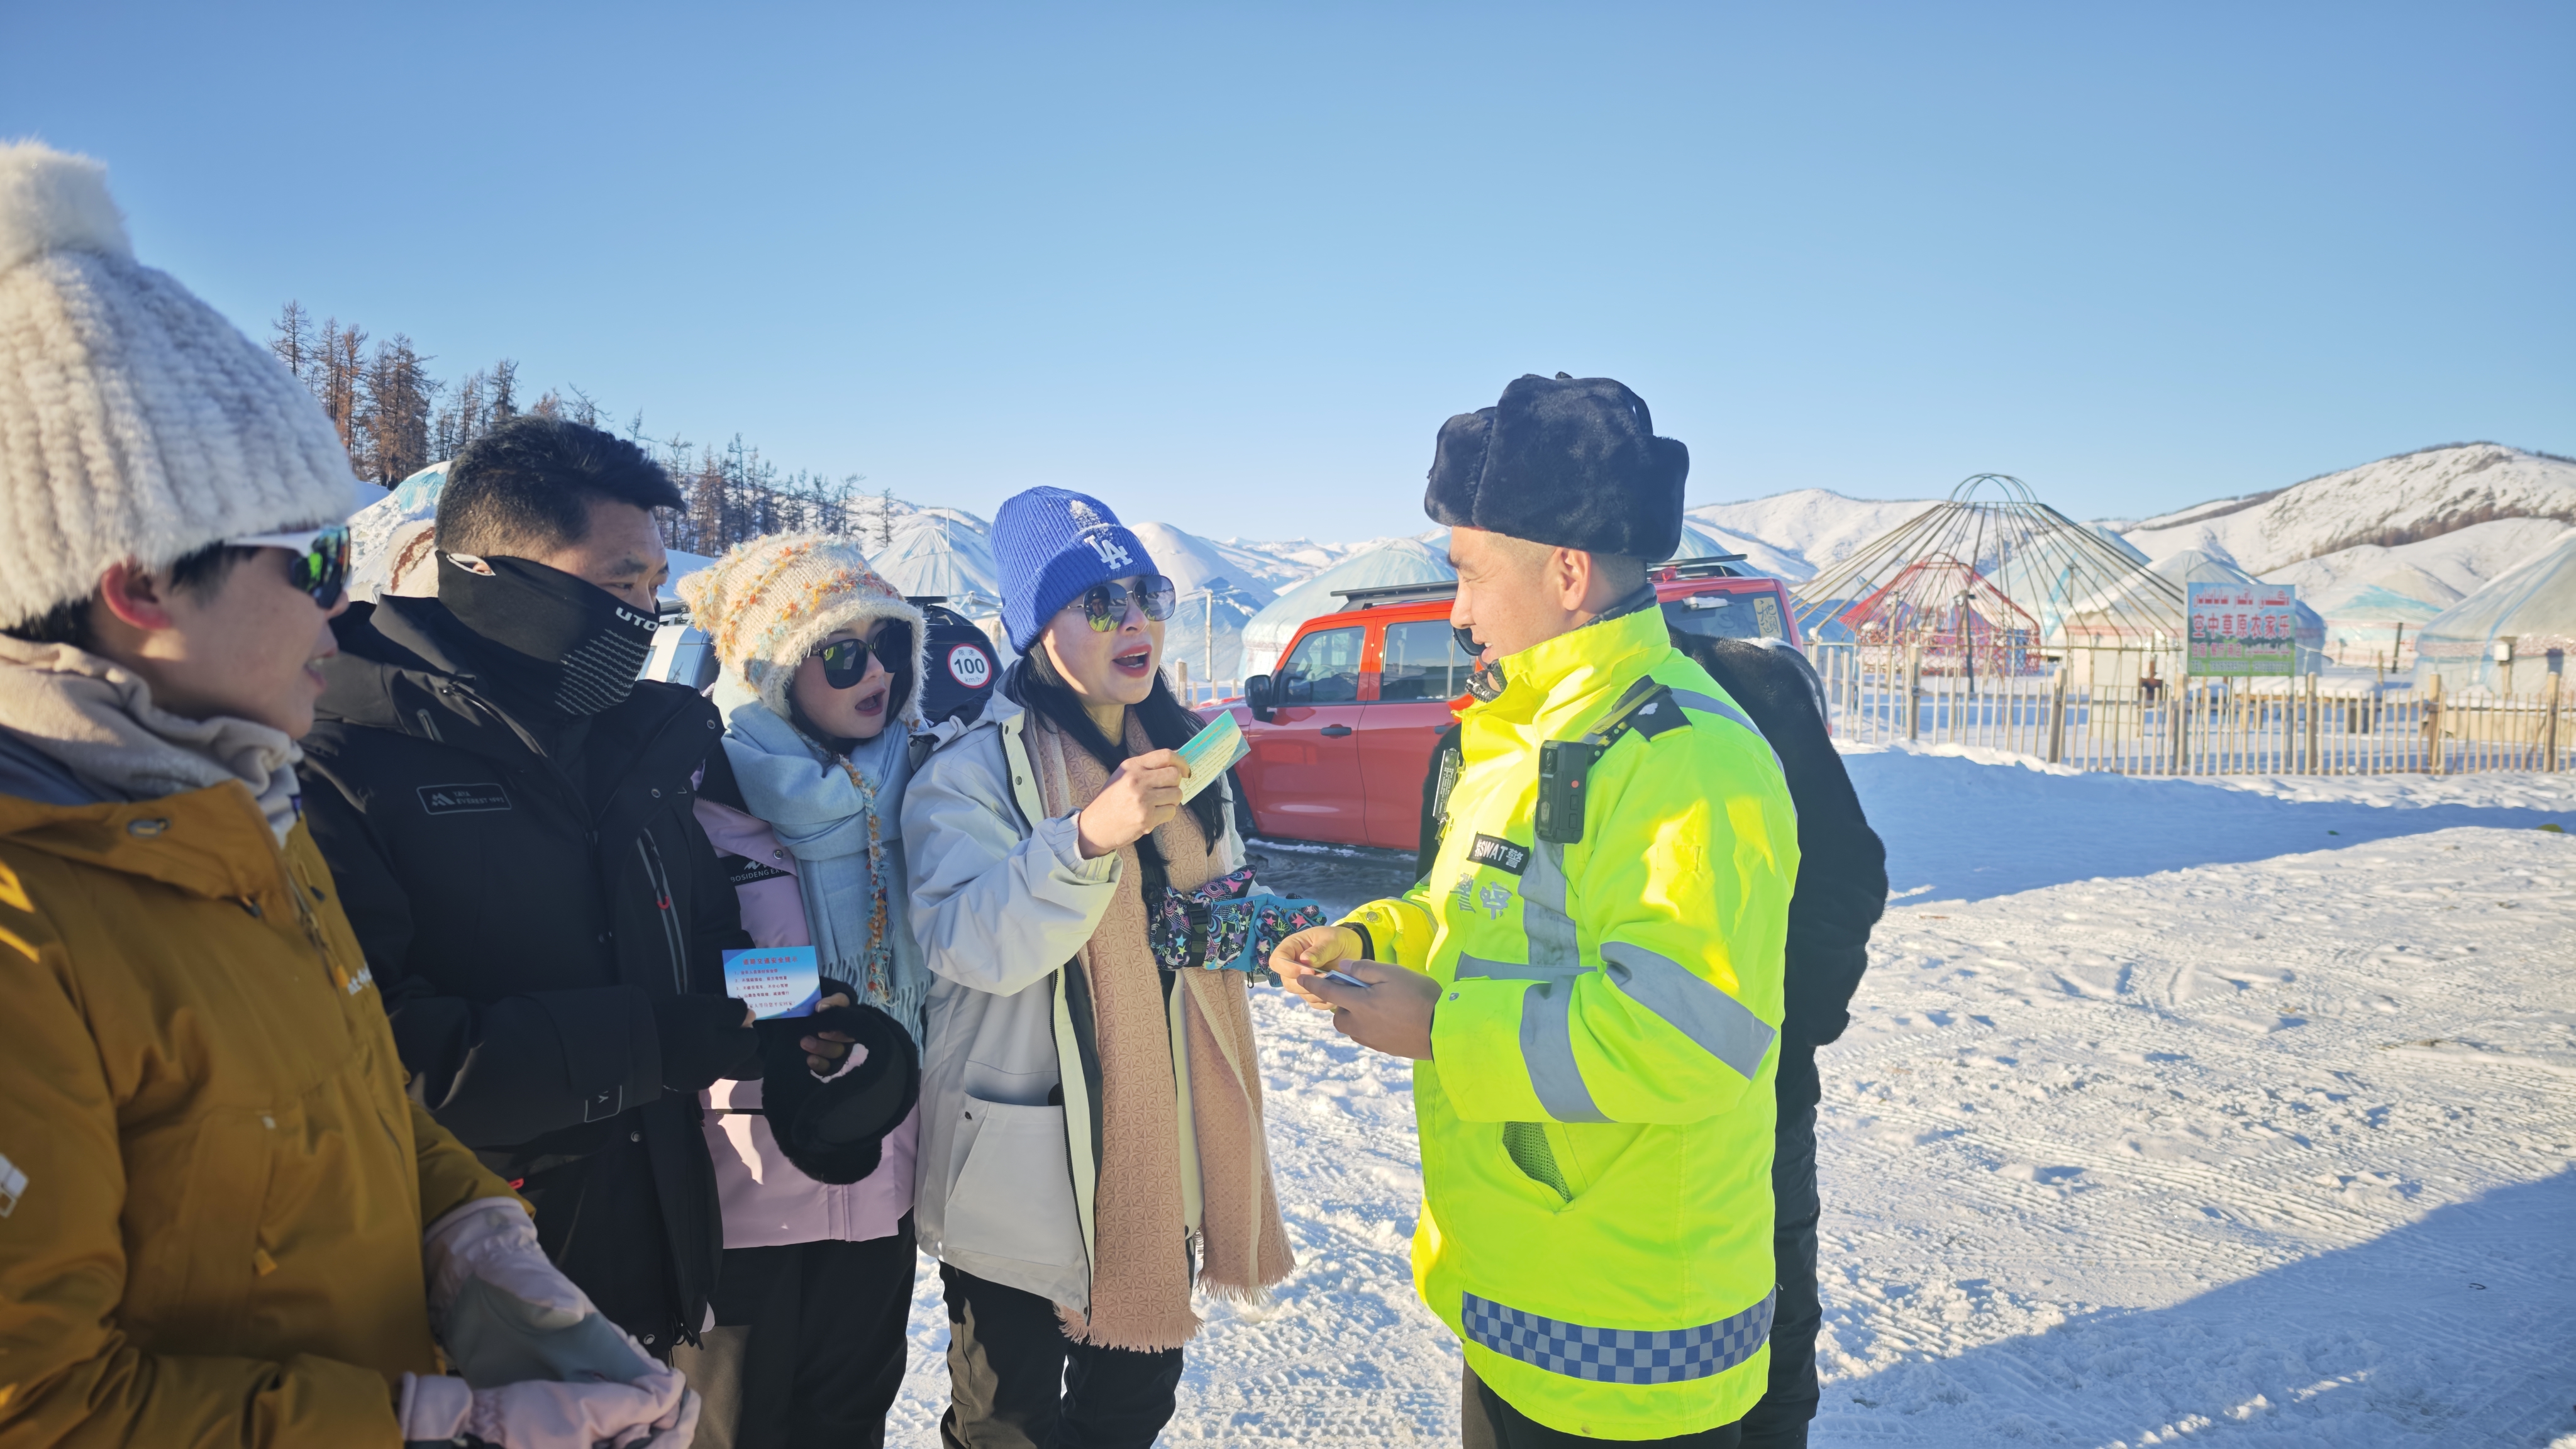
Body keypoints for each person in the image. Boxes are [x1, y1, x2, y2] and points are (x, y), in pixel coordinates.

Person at [0, 140, 693, 1447]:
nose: (343, 608)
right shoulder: (28, 925)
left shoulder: (240, 820)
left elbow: (359, 1097)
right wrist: (431, 1427)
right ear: (139, 583)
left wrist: (478, 1241)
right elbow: (35, 1406)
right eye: (312, 561)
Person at [1272, 374, 1801, 1447]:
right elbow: (1469, 910)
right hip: (1526, 1300)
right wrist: (1368, 937)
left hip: (1633, 1344)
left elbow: (1687, 1037)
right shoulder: (1529, 733)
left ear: (1566, 572)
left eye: (1469, 573)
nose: (1457, 610)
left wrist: (1440, 1029)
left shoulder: (1687, 761)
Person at [299, 414, 758, 1358]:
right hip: (465, 1291)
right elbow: (366, 1054)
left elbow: (706, 935)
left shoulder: (636, 744)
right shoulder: (340, 762)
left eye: (655, 587)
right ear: (488, 575)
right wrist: (645, 1045)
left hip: (650, 1257)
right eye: (618, 586)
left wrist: (790, 1015)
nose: (645, 614)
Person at [902, 487, 1296, 1449]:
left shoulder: (1187, 756)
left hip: (1159, 1153)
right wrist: (1083, 840)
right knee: (1008, 1425)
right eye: (1101, 602)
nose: (1137, 622)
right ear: (1035, 627)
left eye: (1148, 595)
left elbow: (1207, 917)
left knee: (1129, 1412)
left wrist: (1279, 939)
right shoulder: (972, 770)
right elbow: (966, 944)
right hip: (1018, 1168)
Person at [669, 535, 942, 1448]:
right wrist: (783, 1009)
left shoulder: (925, 792)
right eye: (843, 652)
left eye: (890, 646)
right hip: (745, 1183)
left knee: (848, 1427)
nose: (880, 673)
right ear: (775, 667)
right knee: (729, 1431)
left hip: (880, 1166)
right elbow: (671, 971)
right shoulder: (696, 801)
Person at [1664, 636, 1887, 1449]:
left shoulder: (1743, 685)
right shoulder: (1502, 709)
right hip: (1577, 1136)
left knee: (1770, 1336)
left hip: (1761, 1106)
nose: (1466, 616)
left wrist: (1786, 1033)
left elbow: (1844, 874)